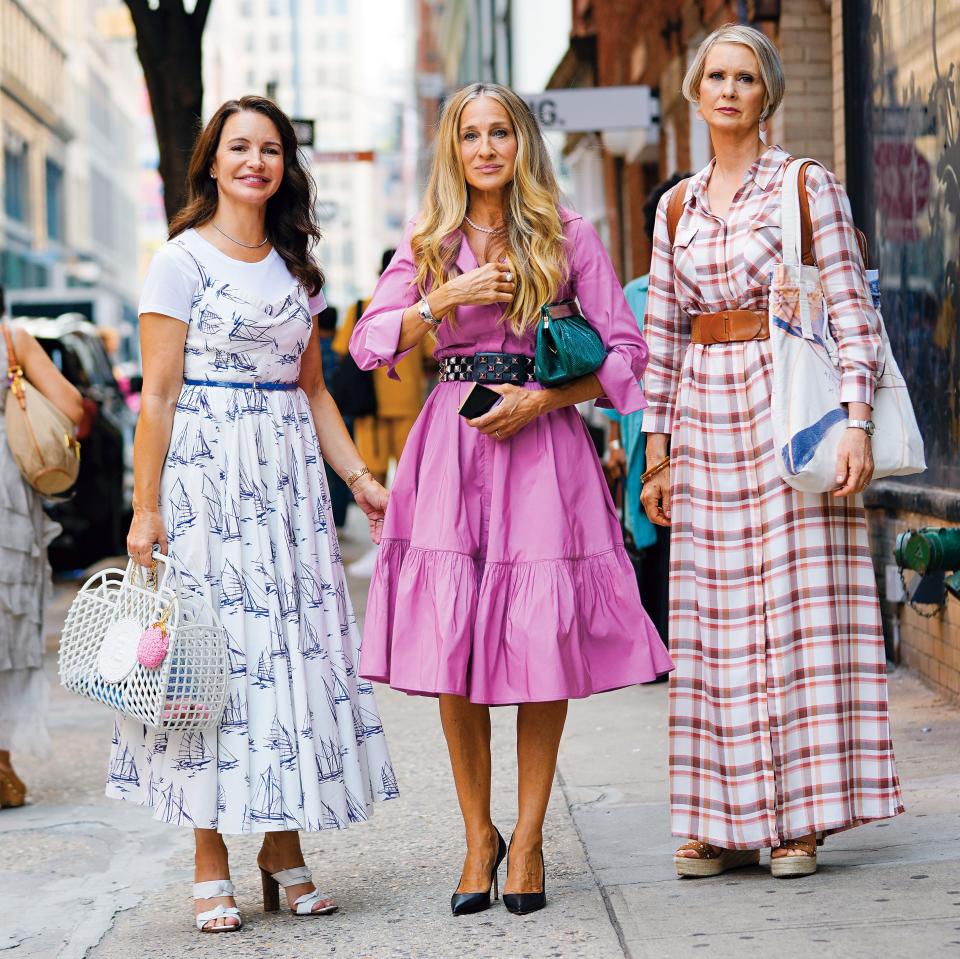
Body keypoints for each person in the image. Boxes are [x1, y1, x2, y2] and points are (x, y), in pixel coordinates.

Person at [350, 82, 673, 916]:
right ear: (454, 151)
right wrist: (443, 298)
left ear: (522, 143)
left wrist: (548, 399)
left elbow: (627, 350)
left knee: (538, 643)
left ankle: (527, 838)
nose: (486, 147)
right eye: (471, 135)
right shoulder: (426, 243)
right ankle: (476, 834)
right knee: (452, 645)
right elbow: (368, 342)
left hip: (541, 446)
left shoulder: (569, 235)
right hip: (451, 450)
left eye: (500, 132)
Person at [120, 96, 397, 933]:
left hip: (287, 494)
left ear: (285, 165)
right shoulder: (178, 261)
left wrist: (358, 476)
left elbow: (312, 389)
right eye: (239, 147)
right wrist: (145, 509)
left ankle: (282, 843)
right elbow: (158, 396)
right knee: (210, 666)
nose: (255, 161)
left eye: (270, 148)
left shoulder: (294, 264)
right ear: (212, 162)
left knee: (288, 658)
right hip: (206, 483)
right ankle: (210, 856)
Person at [639, 24, 903, 879]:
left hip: (791, 405)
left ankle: (799, 815)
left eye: (744, 77)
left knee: (794, 611)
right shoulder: (674, 206)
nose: (727, 90)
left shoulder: (805, 185)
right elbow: (664, 336)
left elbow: (851, 306)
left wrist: (857, 417)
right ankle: (719, 817)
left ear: (768, 93)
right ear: (694, 90)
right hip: (707, 417)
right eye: (714, 75)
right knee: (714, 618)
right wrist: (656, 451)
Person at [0, 286, 84, 808]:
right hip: (6, 500)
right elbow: (71, 406)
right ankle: (2, 768)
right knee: (7, 625)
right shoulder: (12, 340)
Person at [602, 174, 689, 647]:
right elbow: (616, 369)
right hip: (645, 430)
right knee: (654, 535)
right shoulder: (635, 292)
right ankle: (659, 641)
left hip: (700, 421)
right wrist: (614, 441)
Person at [334, 249, 433, 577]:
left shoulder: (362, 307)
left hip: (371, 407)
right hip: (405, 406)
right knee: (407, 479)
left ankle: (381, 547)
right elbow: (436, 354)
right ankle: (403, 545)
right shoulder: (423, 309)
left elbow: (344, 349)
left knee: (371, 478)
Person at [315, 304, 354, 528]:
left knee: (320, 469)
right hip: (344, 415)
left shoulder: (313, 349)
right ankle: (338, 518)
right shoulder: (343, 347)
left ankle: (325, 517)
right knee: (342, 471)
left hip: (317, 418)